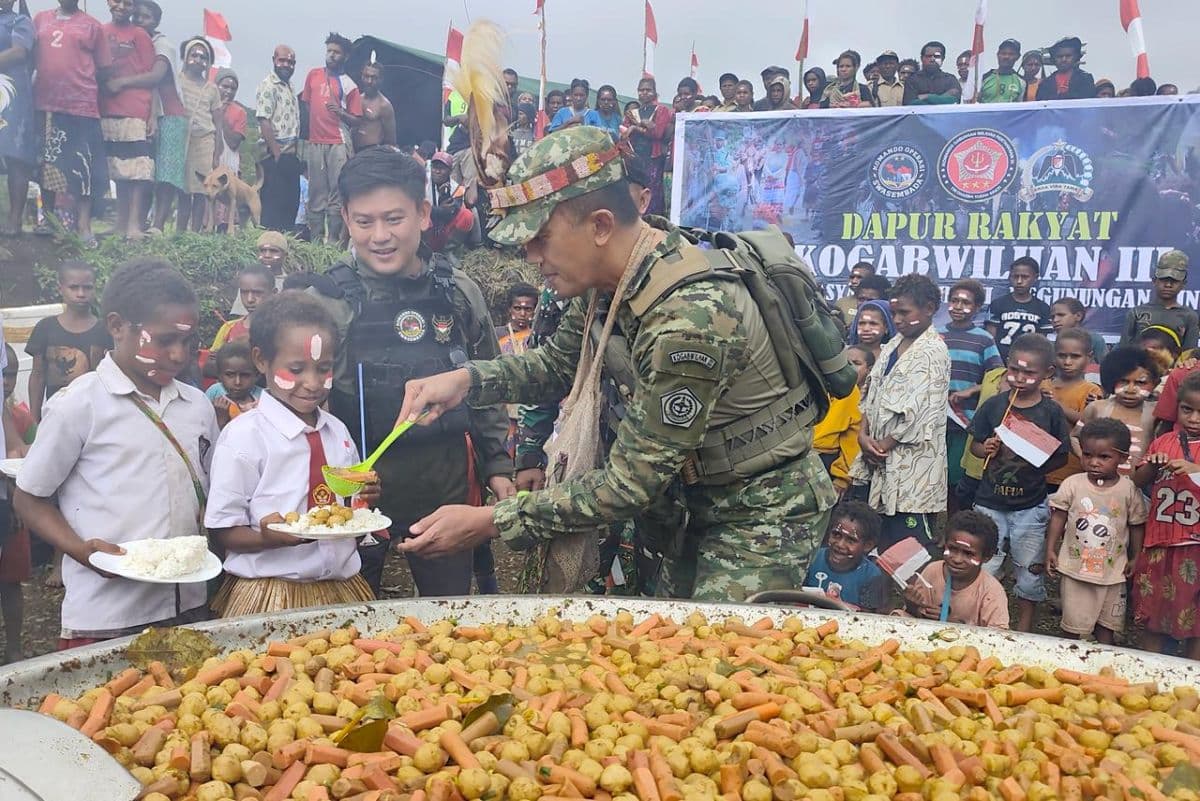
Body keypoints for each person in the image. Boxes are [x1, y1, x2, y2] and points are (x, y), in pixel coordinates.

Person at [392, 126, 838, 602]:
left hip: (758, 515)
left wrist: (492, 521)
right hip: (686, 505)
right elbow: (557, 366)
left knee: (719, 646)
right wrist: (466, 380)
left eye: (541, 238)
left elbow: (630, 483)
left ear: (601, 226)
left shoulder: (688, 322)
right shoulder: (614, 280)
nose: (531, 256)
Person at [311, 147, 511, 598]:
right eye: (364, 222)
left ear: (422, 213)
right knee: (351, 620)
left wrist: (498, 464)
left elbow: (487, 384)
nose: (380, 236)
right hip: (356, 492)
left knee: (447, 616)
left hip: (443, 485)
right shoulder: (324, 302)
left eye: (394, 219)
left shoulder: (458, 293)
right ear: (345, 219)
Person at [14, 259, 219, 649]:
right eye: (164, 340)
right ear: (117, 326)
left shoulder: (197, 406)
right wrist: (80, 551)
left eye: (188, 342)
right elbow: (29, 498)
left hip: (188, 606)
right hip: (106, 615)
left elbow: (212, 489)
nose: (179, 355)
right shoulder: (79, 404)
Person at [206, 292, 377, 616]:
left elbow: (352, 510)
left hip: (342, 589)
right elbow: (223, 530)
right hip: (269, 595)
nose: (312, 383)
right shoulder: (244, 436)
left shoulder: (338, 432)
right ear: (261, 360)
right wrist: (270, 538)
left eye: (323, 368)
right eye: (296, 369)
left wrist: (364, 497)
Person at [971, 333, 1071, 632]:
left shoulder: (1051, 412)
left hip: (1030, 505)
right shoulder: (994, 406)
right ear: (1007, 366)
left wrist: (1037, 462)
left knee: (1029, 568)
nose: (1020, 378)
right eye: (1014, 370)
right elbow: (975, 445)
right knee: (985, 565)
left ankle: (1025, 628)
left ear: (1047, 373)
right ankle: (980, 623)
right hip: (989, 502)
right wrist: (985, 448)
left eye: (1029, 373)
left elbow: (1061, 457)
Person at [851, 274, 949, 550]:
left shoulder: (934, 352)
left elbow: (921, 413)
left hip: (910, 468)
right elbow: (871, 393)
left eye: (904, 313)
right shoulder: (893, 344)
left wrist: (882, 446)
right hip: (876, 457)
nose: (898, 319)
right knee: (874, 539)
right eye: (894, 313)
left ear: (929, 308)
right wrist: (863, 435)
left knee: (907, 548)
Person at [1046, 417, 1145, 644]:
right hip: (1076, 571)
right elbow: (1058, 516)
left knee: (1106, 628)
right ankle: (1068, 659)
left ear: (1123, 458)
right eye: (1087, 455)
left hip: (1113, 573)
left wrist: (1136, 556)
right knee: (1072, 627)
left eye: (1104, 457)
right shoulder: (1073, 484)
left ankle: (1103, 661)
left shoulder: (1128, 489)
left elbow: (1137, 524)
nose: (1094, 462)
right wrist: (1050, 548)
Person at [1131, 372, 1200, 658]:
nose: (1194, 418)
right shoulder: (1163, 441)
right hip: (1159, 541)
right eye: (1187, 410)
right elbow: (1138, 480)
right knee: (1154, 610)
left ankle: (1194, 676)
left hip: (1194, 545)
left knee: (1196, 616)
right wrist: (1152, 465)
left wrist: (1194, 470)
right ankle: (1153, 667)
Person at [33, 0, 112, 246]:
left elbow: (104, 68)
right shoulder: (40, 19)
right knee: (48, 163)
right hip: (46, 101)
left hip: (81, 104)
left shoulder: (93, 26)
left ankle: (83, 226)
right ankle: (49, 220)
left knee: (82, 167)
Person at [26, 261, 110, 423]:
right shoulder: (46, 328)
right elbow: (38, 375)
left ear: (95, 289)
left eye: (87, 287)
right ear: (61, 289)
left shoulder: (106, 329)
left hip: (96, 417)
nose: (81, 293)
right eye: (74, 287)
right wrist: (34, 420)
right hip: (56, 416)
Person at [942, 279, 1004, 498]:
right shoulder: (935, 335)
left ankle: (956, 517)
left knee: (956, 480)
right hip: (934, 419)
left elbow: (997, 378)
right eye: (954, 301)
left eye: (966, 302)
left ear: (977, 308)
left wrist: (971, 391)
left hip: (965, 420)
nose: (958, 306)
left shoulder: (984, 340)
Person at [99, 0, 155, 240]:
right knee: (119, 170)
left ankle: (134, 225)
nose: (121, 6)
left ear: (133, 7)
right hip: (108, 108)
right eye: (117, 1)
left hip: (136, 108)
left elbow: (152, 76)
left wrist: (152, 115)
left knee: (138, 171)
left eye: (128, 3)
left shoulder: (140, 35)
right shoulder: (100, 31)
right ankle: (121, 224)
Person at [900, 510, 1009, 629]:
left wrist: (953, 624)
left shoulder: (991, 591)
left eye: (968, 554)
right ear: (944, 544)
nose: (957, 559)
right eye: (952, 549)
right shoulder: (932, 571)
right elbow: (917, 617)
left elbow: (998, 635)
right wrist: (911, 606)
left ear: (987, 557)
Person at [132, 0, 186, 234]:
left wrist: (119, 82)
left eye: (145, 17)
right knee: (144, 173)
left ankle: (158, 225)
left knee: (166, 175)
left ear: (156, 21)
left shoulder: (163, 45)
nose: (139, 21)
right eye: (136, 16)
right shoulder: (134, 42)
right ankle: (139, 223)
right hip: (143, 113)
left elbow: (156, 77)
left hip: (170, 114)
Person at [300, 33, 355, 244]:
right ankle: (315, 243)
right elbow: (307, 104)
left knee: (336, 193)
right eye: (329, 51)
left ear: (345, 56)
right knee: (316, 193)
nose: (332, 55)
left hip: (338, 142)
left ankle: (332, 243)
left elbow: (357, 119)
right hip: (315, 141)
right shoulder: (313, 75)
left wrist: (340, 113)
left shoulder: (349, 84)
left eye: (336, 52)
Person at [0, 341, 34, 663]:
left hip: (13, 512)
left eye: (10, 374)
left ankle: (13, 646)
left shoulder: (20, 417)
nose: (6, 382)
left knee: (10, 583)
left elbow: (31, 459)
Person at [1080, 346, 1159, 474]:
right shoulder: (1097, 408)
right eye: (1123, 381)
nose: (1130, 389)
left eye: (1140, 383)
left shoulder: (1155, 413)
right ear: (1111, 379)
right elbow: (1075, 437)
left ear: (1154, 383)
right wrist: (1088, 460)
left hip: (1137, 482)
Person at [1047, 328, 1102, 491]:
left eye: (1075, 356)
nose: (1067, 362)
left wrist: (1056, 405)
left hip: (1073, 470)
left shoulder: (1091, 391)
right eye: (1062, 355)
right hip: (1041, 468)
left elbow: (1088, 424)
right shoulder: (1043, 385)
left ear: (1089, 357)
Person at [176, 37, 222, 233]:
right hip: (181, 139)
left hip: (204, 140)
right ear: (186, 57)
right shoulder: (177, 81)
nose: (198, 59)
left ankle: (195, 233)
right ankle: (179, 233)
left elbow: (218, 121)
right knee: (183, 189)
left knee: (201, 189)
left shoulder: (212, 89)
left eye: (203, 57)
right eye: (194, 55)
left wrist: (217, 151)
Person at [803, 501, 885, 611]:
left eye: (851, 540)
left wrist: (839, 605)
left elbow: (868, 616)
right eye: (836, 535)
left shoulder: (871, 575)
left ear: (867, 545)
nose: (840, 544)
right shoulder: (812, 558)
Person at [812, 345, 870, 494]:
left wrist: (842, 478)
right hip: (795, 452)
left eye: (856, 364)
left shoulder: (853, 395)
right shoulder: (818, 384)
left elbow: (852, 441)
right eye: (845, 363)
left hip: (823, 459)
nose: (849, 368)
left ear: (868, 370)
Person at [256, 45, 302, 232]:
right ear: (274, 60)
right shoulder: (269, 85)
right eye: (282, 60)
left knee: (289, 207)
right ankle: (268, 244)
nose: (287, 65)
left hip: (290, 155)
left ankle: (285, 245)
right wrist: (277, 154)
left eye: (291, 62)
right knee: (272, 208)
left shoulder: (290, 86)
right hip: (274, 155)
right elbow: (264, 120)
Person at [0, 0, 35, 236]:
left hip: (12, 96)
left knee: (15, 156)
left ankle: (14, 220)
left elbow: (19, 52)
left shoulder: (20, 21)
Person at [1119, 250, 1197, 351]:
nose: (1168, 285)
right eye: (1163, 280)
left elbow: (1189, 355)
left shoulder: (1189, 317)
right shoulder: (1136, 313)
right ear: (1154, 281)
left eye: (1174, 281)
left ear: (1183, 284)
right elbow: (1123, 351)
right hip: (1138, 360)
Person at [986, 256, 1052, 362]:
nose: (1019, 281)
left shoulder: (1043, 308)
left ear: (1035, 277)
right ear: (1010, 277)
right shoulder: (998, 304)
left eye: (1025, 277)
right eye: (1015, 276)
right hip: (1000, 361)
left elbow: (1041, 343)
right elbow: (990, 339)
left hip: (1029, 362)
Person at [625, 78, 672, 215]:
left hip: (653, 159)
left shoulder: (661, 110)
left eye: (648, 90)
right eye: (641, 90)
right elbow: (624, 132)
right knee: (635, 191)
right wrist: (642, 127)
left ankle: (653, 221)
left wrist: (636, 128)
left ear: (654, 92)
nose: (644, 93)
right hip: (635, 158)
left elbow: (658, 133)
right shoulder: (632, 113)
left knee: (652, 194)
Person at [212, 264, 275, 351]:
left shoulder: (282, 330)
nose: (250, 299)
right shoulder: (228, 329)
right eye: (244, 292)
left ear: (274, 293)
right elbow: (213, 357)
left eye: (257, 292)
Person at [205, 340, 261, 428]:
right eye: (230, 375)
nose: (237, 382)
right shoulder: (214, 393)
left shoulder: (262, 399)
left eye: (245, 375)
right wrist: (220, 419)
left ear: (257, 375)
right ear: (220, 375)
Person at [344, 62, 396, 151]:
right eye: (366, 76)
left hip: (372, 152)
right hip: (352, 150)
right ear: (362, 76)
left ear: (381, 79)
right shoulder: (356, 99)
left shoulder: (384, 105)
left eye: (374, 77)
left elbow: (391, 141)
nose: (369, 81)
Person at [1050, 297, 1107, 366]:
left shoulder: (1095, 340)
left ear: (1078, 316)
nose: (1055, 320)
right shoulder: (1050, 344)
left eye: (1061, 315)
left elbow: (1106, 367)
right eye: (1052, 317)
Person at [1036, 37, 1096, 101]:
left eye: (1068, 56)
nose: (1064, 59)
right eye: (1059, 56)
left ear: (1075, 57)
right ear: (1054, 59)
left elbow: (1087, 99)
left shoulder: (1085, 79)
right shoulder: (1045, 83)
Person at [903, 41, 961, 105]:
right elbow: (910, 105)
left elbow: (954, 101)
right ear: (922, 58)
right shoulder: (912, 80)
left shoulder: (951, 80)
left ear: (943, 58)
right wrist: (942, 98)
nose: (932, 59)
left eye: (937, 56)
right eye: (928, 56)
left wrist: (928, 97)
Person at [977, 39, 1024, 104]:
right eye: (1003, 53)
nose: (1006, 57)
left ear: (1017, 57)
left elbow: (1021, 106)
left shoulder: (1021, 82)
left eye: (1011, 54)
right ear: (998, 55)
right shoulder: (983, 78)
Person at [847, 299, 894, 364]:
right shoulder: (846, 354)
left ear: (886, 328)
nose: (866, 329)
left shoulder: (892, 358)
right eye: (861, 323)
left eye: (873, 324)